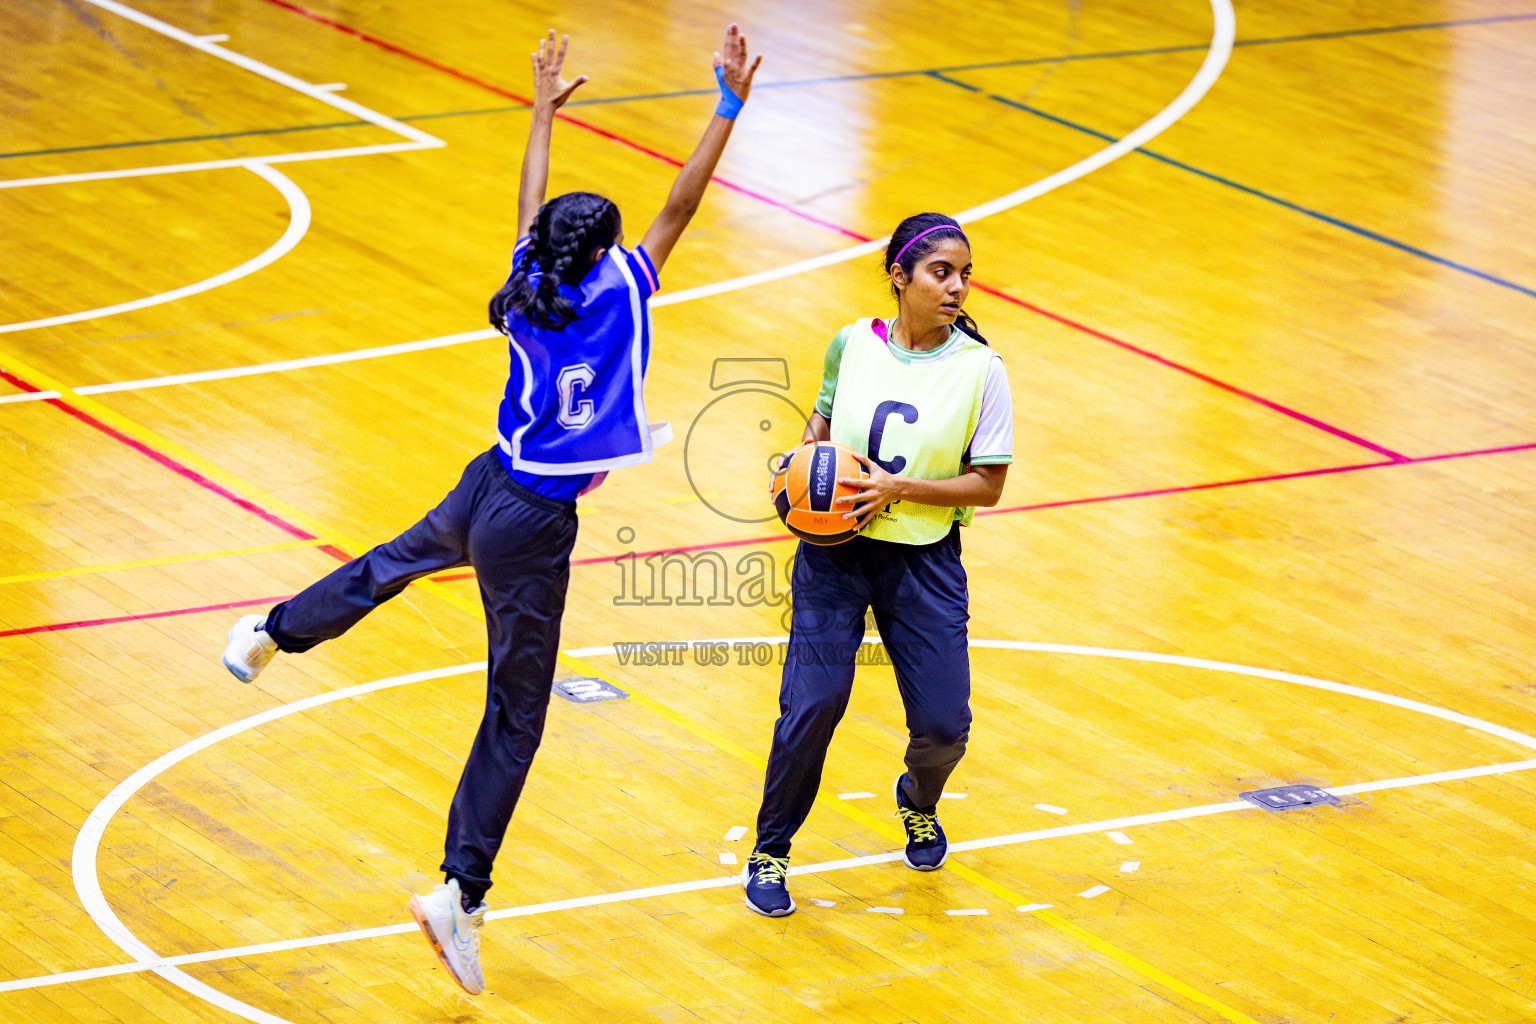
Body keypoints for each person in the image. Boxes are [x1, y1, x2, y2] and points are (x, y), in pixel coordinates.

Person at [220, 26, 762, 992]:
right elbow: (682, 203)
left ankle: (269, 632)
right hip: (536, 523)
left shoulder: (528, 284)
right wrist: (726, 105)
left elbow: (531, 207)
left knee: (390, 564)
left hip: (485, 485)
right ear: (604, 250)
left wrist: (543, 110)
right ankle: (459, 894)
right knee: (515, 714)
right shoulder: (622, 288)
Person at [742, 213, 1013, 916]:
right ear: (899, 276)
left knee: (945, 725)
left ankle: (917, 801)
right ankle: (770, 852)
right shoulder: (851, 345)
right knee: (812, 705)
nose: (956, 287)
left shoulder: (982, 371)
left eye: (964, 275)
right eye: (940, 272)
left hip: (924, 561)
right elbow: (822, 426)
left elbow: (988, 485)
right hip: (836, 556)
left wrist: (899, 490)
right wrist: (796, 467)